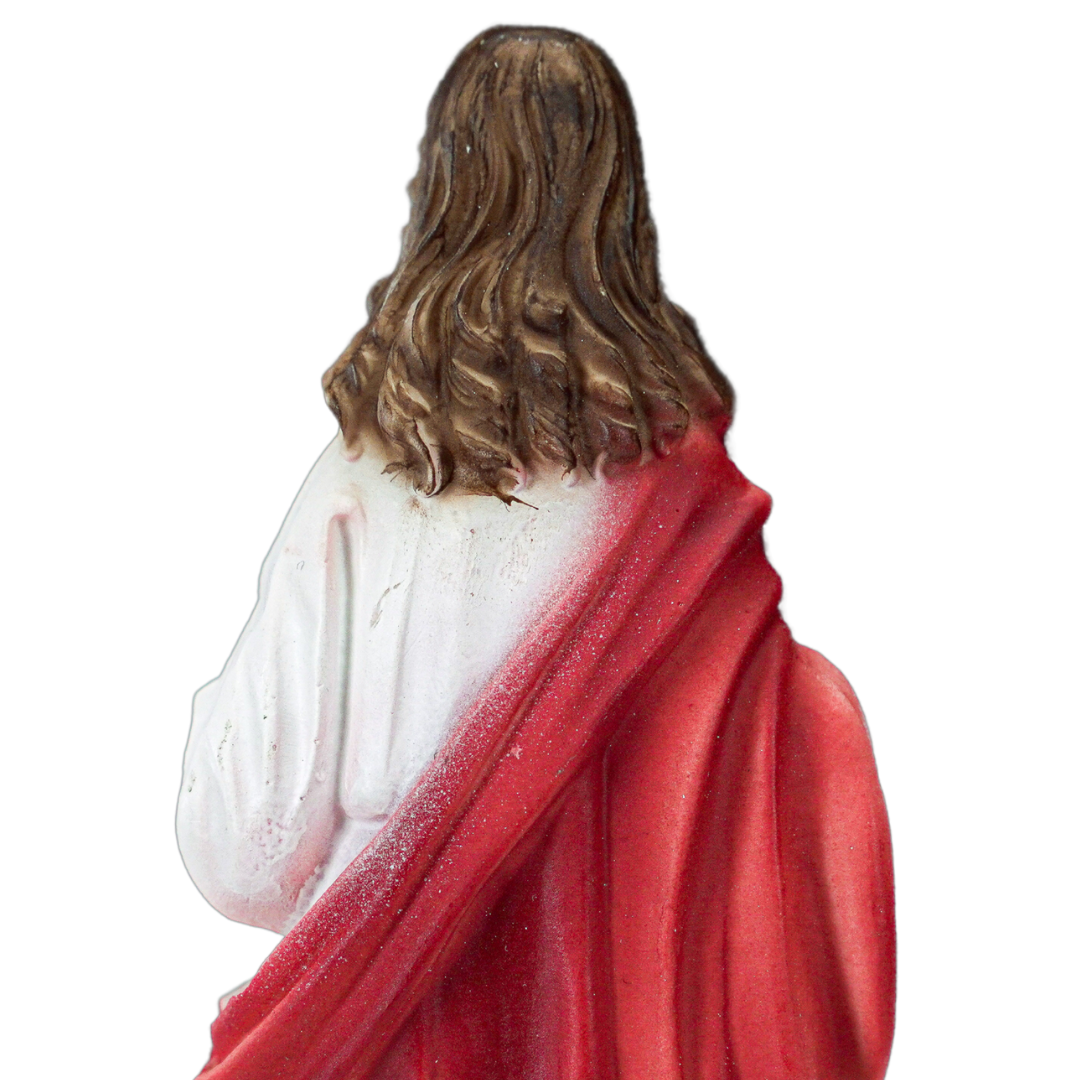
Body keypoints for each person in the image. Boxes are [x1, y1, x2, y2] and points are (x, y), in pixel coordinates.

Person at [178, 26, 895, 1080]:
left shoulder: (363, 486)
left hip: (393, 1038)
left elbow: (244, 849)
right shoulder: (686, 508)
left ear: (442, 190)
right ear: (620, 211)